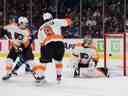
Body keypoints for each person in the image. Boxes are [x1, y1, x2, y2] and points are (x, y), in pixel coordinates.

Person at [32, 12, 72, 82]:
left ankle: (39, 76)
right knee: (58, 61)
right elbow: (68, 22)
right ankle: (59, 76)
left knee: (44, 62)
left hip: (49, 44)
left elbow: (41, 43)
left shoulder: (41, 28)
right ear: (51, 17)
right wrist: (69, 18)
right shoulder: (55, 21)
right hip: (60, 44)